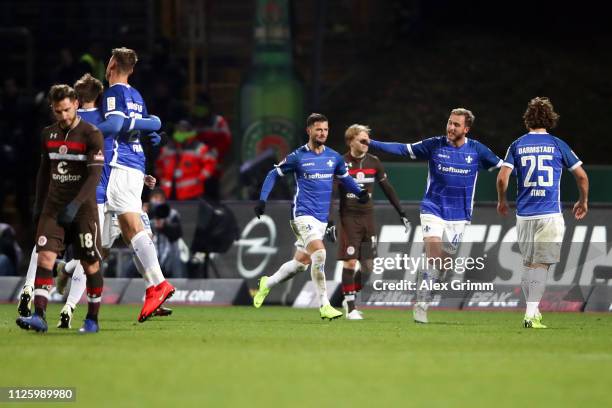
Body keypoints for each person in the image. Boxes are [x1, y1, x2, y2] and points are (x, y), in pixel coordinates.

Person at [362, 108, 503, 323]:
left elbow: (505, 167)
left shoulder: (477, 150)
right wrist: (372, 143)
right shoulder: (434, 145)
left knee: (443, 267)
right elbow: (403, 149)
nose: (451, 127)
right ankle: (421, 305)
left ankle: (427, 287)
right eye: (449, 122)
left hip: (460, 216)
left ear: (466, 129)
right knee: (434, 257)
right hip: (433, 209)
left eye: (456, 124)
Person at [251, 113, 370, 320]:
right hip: (302, 215)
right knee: (320, 254)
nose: (322, 133)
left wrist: (359, 192)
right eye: (318, 129)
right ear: (309, 131)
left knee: (301, 263)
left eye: (325, 129)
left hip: (321, 219)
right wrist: (262, 199)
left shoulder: (333, 157)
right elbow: (273, 174)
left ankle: (266, 283)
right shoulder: (298, 156)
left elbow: (345, 179)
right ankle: (324, 305)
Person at [15, 84, 105, 334]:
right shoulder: (48, 135)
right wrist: (38, 205)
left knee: (90, 264)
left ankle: (92, 319)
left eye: (66, 109)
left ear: (76, 103)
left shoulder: (92, 134)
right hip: (54, 207)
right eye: (58, 111)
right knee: (45, 257)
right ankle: (39, 316)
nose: (63, 116)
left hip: (83, 210)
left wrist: (76, 205)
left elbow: (94, 176)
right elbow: (44, 172)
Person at [496, 97, 589, 329]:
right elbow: (582, 176)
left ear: (527, 120)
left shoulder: (517, 144)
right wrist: (583, 200)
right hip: (549, 214)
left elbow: (502, 177)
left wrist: (501, 201)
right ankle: (530, 314)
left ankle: (533, 311)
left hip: (524, 215)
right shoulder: (558, 144)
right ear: (550, 119)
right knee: (540, 266)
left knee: (529, 265)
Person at [99, 47, 175, 322]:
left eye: (108, 61)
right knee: (107, 242)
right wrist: (153, 130)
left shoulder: (113, 94)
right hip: (136, 165)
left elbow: (116, 126)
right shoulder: (137, 95)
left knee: (131, 228)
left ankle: (158, 284)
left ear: (113, 65)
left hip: (120, 166)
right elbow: (148, 130)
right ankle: (154, 288)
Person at [334, 124, 410, 320]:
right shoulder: (339, 163)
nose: (367, 143)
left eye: (368, 140)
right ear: (351, 141)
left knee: (368, 267)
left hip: (368, 218)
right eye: (362, 140)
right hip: (348, 217)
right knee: (350, 262)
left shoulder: (374, 162)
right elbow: (328, 193)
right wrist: (327, 220)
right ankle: (350, 308)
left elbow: (387, 188)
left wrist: (401, 212)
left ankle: (347, 295)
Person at [155, 120, 217, 200]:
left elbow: (210, 164)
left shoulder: (199, 147)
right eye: (178, 131)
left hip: (192, 192)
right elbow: (159, 164)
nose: (179, 133)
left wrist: (200, 178)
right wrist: (162, 178)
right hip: (169, 192)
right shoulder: (168, 148)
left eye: (182, 131)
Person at [145, 188, 187, 278]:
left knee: (176, 262)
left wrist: (164, 226)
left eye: (160, 199)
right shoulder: (145, 214)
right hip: (150, 253)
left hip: (170, 252)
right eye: (155, 198)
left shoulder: (172, 214)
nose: (157, 201)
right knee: (131, 265)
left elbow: (178, 233)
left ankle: (179, 289)